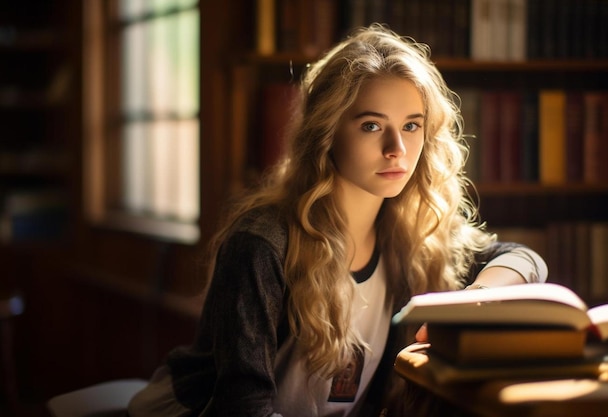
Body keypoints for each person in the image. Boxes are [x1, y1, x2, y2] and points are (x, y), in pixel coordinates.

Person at [128, 23, 548, 417]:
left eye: (411, 126)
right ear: (327, 132)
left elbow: (523, 259)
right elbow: (241, 407)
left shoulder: (413, 231)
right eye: (371, 125)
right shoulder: (262, 242)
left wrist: (478, 296)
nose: (396, 148)